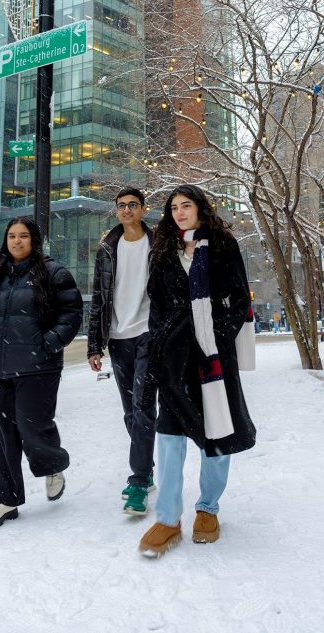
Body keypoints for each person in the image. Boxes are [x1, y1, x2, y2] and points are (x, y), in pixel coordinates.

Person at [138, 184, 256, 557]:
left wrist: (217, 335)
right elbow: (156, 302)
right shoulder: (162, 250)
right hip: (173, 356)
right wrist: (160, 338)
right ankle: (168, 518)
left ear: (200, 208)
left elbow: (240, 298)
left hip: (212, 357)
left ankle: (208, 508)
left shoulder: (222, 245)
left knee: (216, 433)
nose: (179, 212)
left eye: (186, 205)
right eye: (174, 207)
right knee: (169, 437)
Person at [0, 217, 83, 530]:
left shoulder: (53, 273)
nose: (17, 241)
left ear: (34, 240)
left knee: (33, 428)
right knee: (1, 436)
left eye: (23, 236)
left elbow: (71, 313)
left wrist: (50, 342)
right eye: (12, 236)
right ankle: (5, 499)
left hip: (38, 366)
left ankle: (52, 466)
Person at [87, 186, 156, 516]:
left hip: (148, 334)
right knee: (130, 411)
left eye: (132, 204)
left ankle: (139, 481)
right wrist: (94, 345)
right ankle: (147, 465)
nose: (126, 210)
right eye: (121, 205)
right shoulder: (106, 249)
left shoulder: (158, 245)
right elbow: (98, 299)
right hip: (117, 338)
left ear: (143, 209)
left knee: (143, 407)